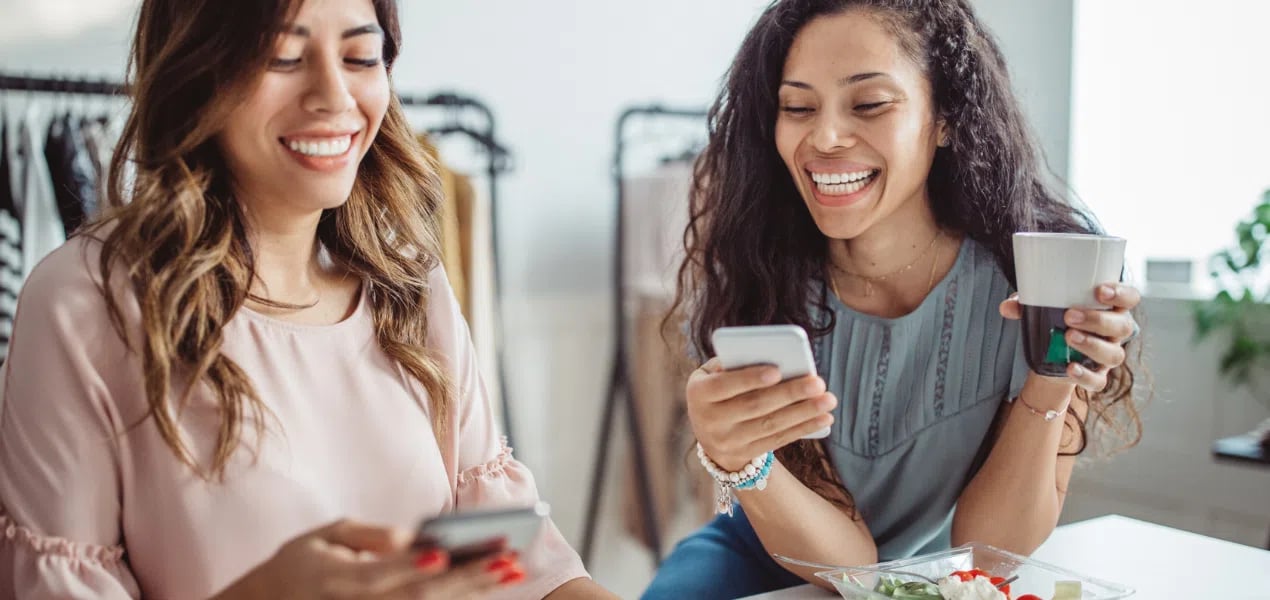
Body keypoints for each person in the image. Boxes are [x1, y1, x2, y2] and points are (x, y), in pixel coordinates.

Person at [0, 1, 618, 598]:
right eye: (283, 57)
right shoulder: (86, 304)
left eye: (361, 56)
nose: (333, 96)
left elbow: (530, 572)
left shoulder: (408, 282)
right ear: (196, 69)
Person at [642, 1, 1144, 598]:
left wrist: (1053, 372)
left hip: (944, 578)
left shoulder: (1037, 278)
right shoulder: (756, 282)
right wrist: (738, 459)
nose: (823, 136)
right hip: (772, 562)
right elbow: (849, 566)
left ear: (946, 117)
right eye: (797, 107)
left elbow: (991, 549)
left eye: (870, 103)